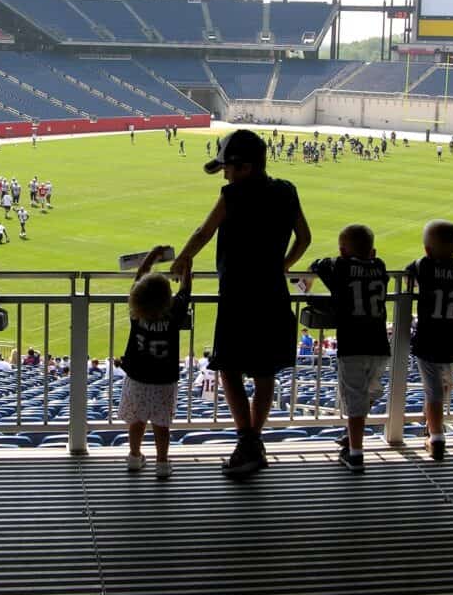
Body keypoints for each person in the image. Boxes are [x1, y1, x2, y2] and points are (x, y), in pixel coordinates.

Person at [171, 129, 311, 477]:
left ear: (246, 167)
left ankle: (247, 440)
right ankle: (253, 442)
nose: (224, 173)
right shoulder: (287, 191)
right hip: (274, 293)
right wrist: (282, 266)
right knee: (265, 373)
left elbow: (204, 232)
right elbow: (304, 238)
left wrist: (182, 260)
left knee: (229, 368)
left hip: (238, 295)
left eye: (229, 167)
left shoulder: (232, 195)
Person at [310, 224, 390, 474]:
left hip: (353, 345)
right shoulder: (380, 267)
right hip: (379, 344)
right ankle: (351, 436)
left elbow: (320, 265)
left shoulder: (341, 267)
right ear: (373, 251)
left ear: (343, 251)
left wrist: (333, 260)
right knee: (365, 393)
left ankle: (355, 454)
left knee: (354, 398)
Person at [120, 245, 191, 480]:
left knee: (137, 421)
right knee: (162, 425)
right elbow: (185, 291)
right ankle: (162, 462)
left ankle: (134, 457)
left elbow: (140, 279)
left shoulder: (136, 312)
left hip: (138, 378)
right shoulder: (174, 314)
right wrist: (186, 269)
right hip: (164, 380)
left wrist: (151, 257)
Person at [406, 220, 453, 462]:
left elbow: (409, 271)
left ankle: (436, 437)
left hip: (429, 338)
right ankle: (431, 426)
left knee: (433, 389)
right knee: (443, 383)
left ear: (427, 250)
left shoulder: (424, 266)